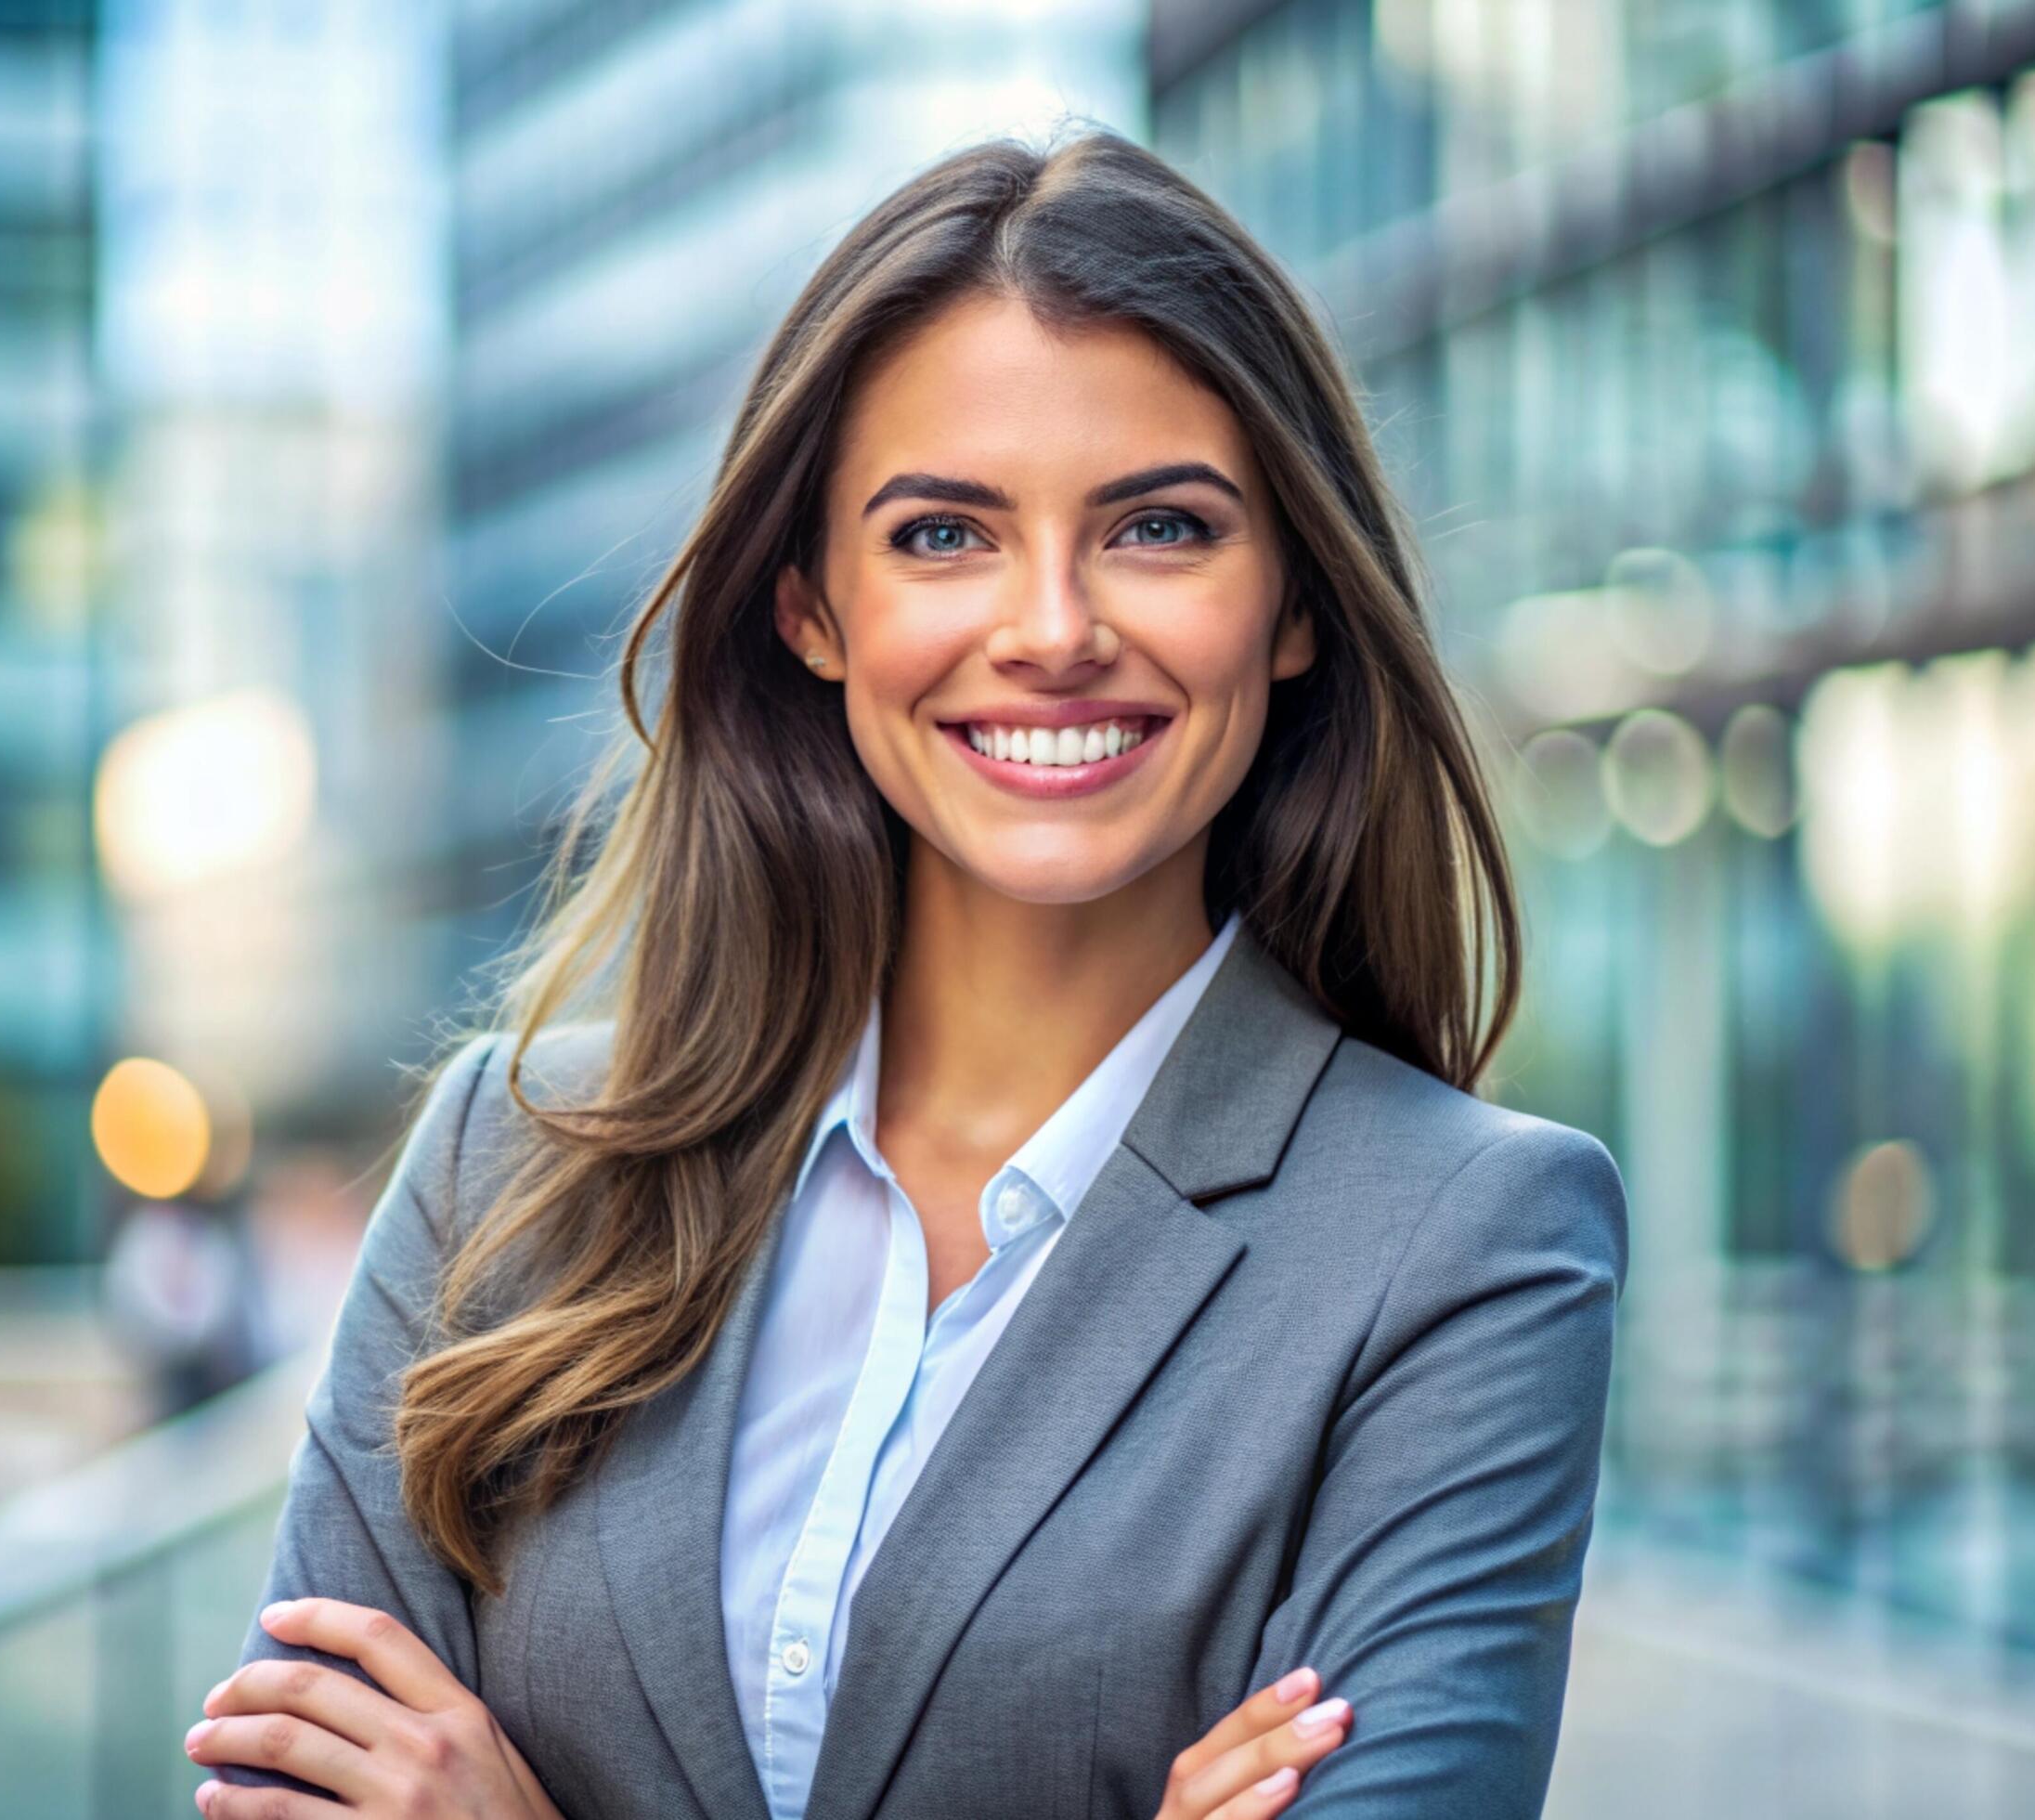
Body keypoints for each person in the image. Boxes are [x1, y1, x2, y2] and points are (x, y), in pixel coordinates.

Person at [187, 126, 1627, 1820]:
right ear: (812, 609)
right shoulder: (507, 1161)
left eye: (1159, 527)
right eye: (945, 536)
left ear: (1294, 605)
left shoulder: (1463, 1245)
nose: (1053, 626)